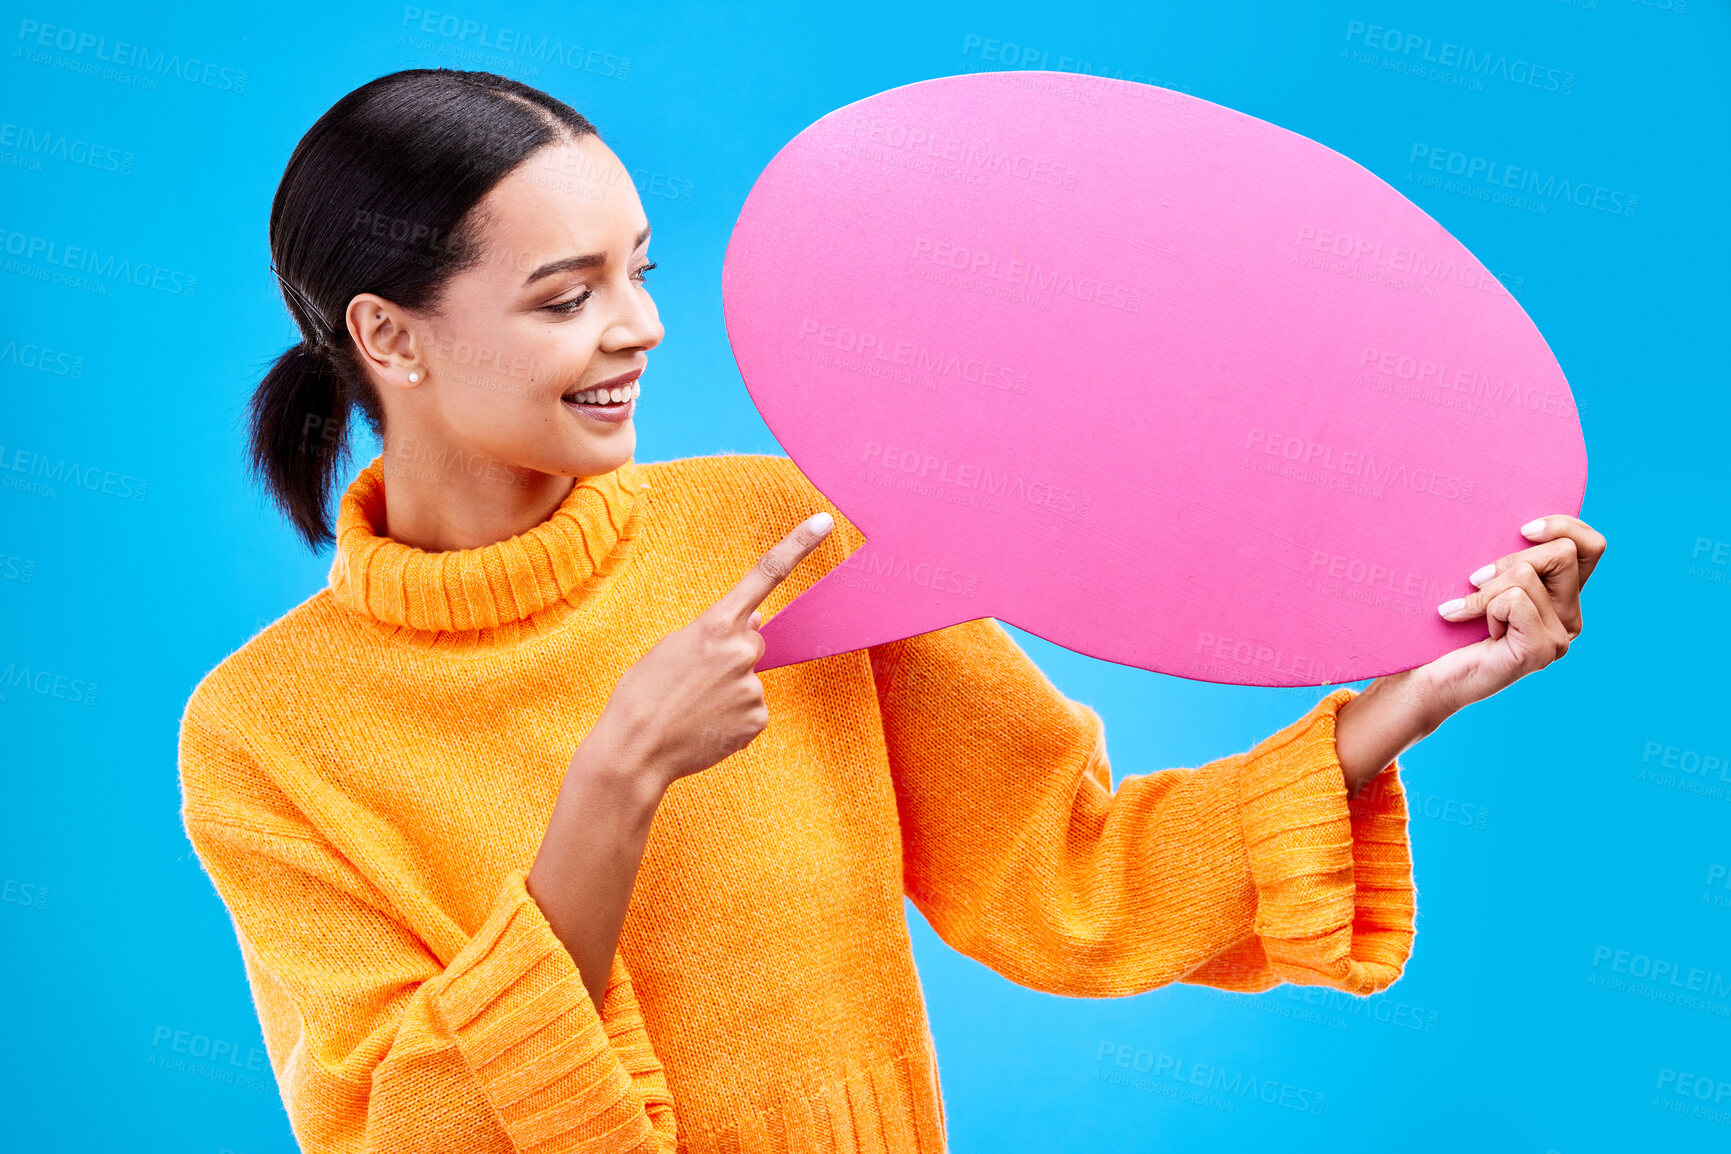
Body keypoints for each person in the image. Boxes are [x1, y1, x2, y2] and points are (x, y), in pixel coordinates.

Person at [177, 68, 1605, 1154]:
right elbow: (394, 1127)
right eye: (567, 296)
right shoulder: (269, 733)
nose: (642, 328)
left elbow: (1067, 873)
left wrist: (1383, 718)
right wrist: (611, 788)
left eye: (640, 271)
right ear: (386, 336)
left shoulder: (776, 530)